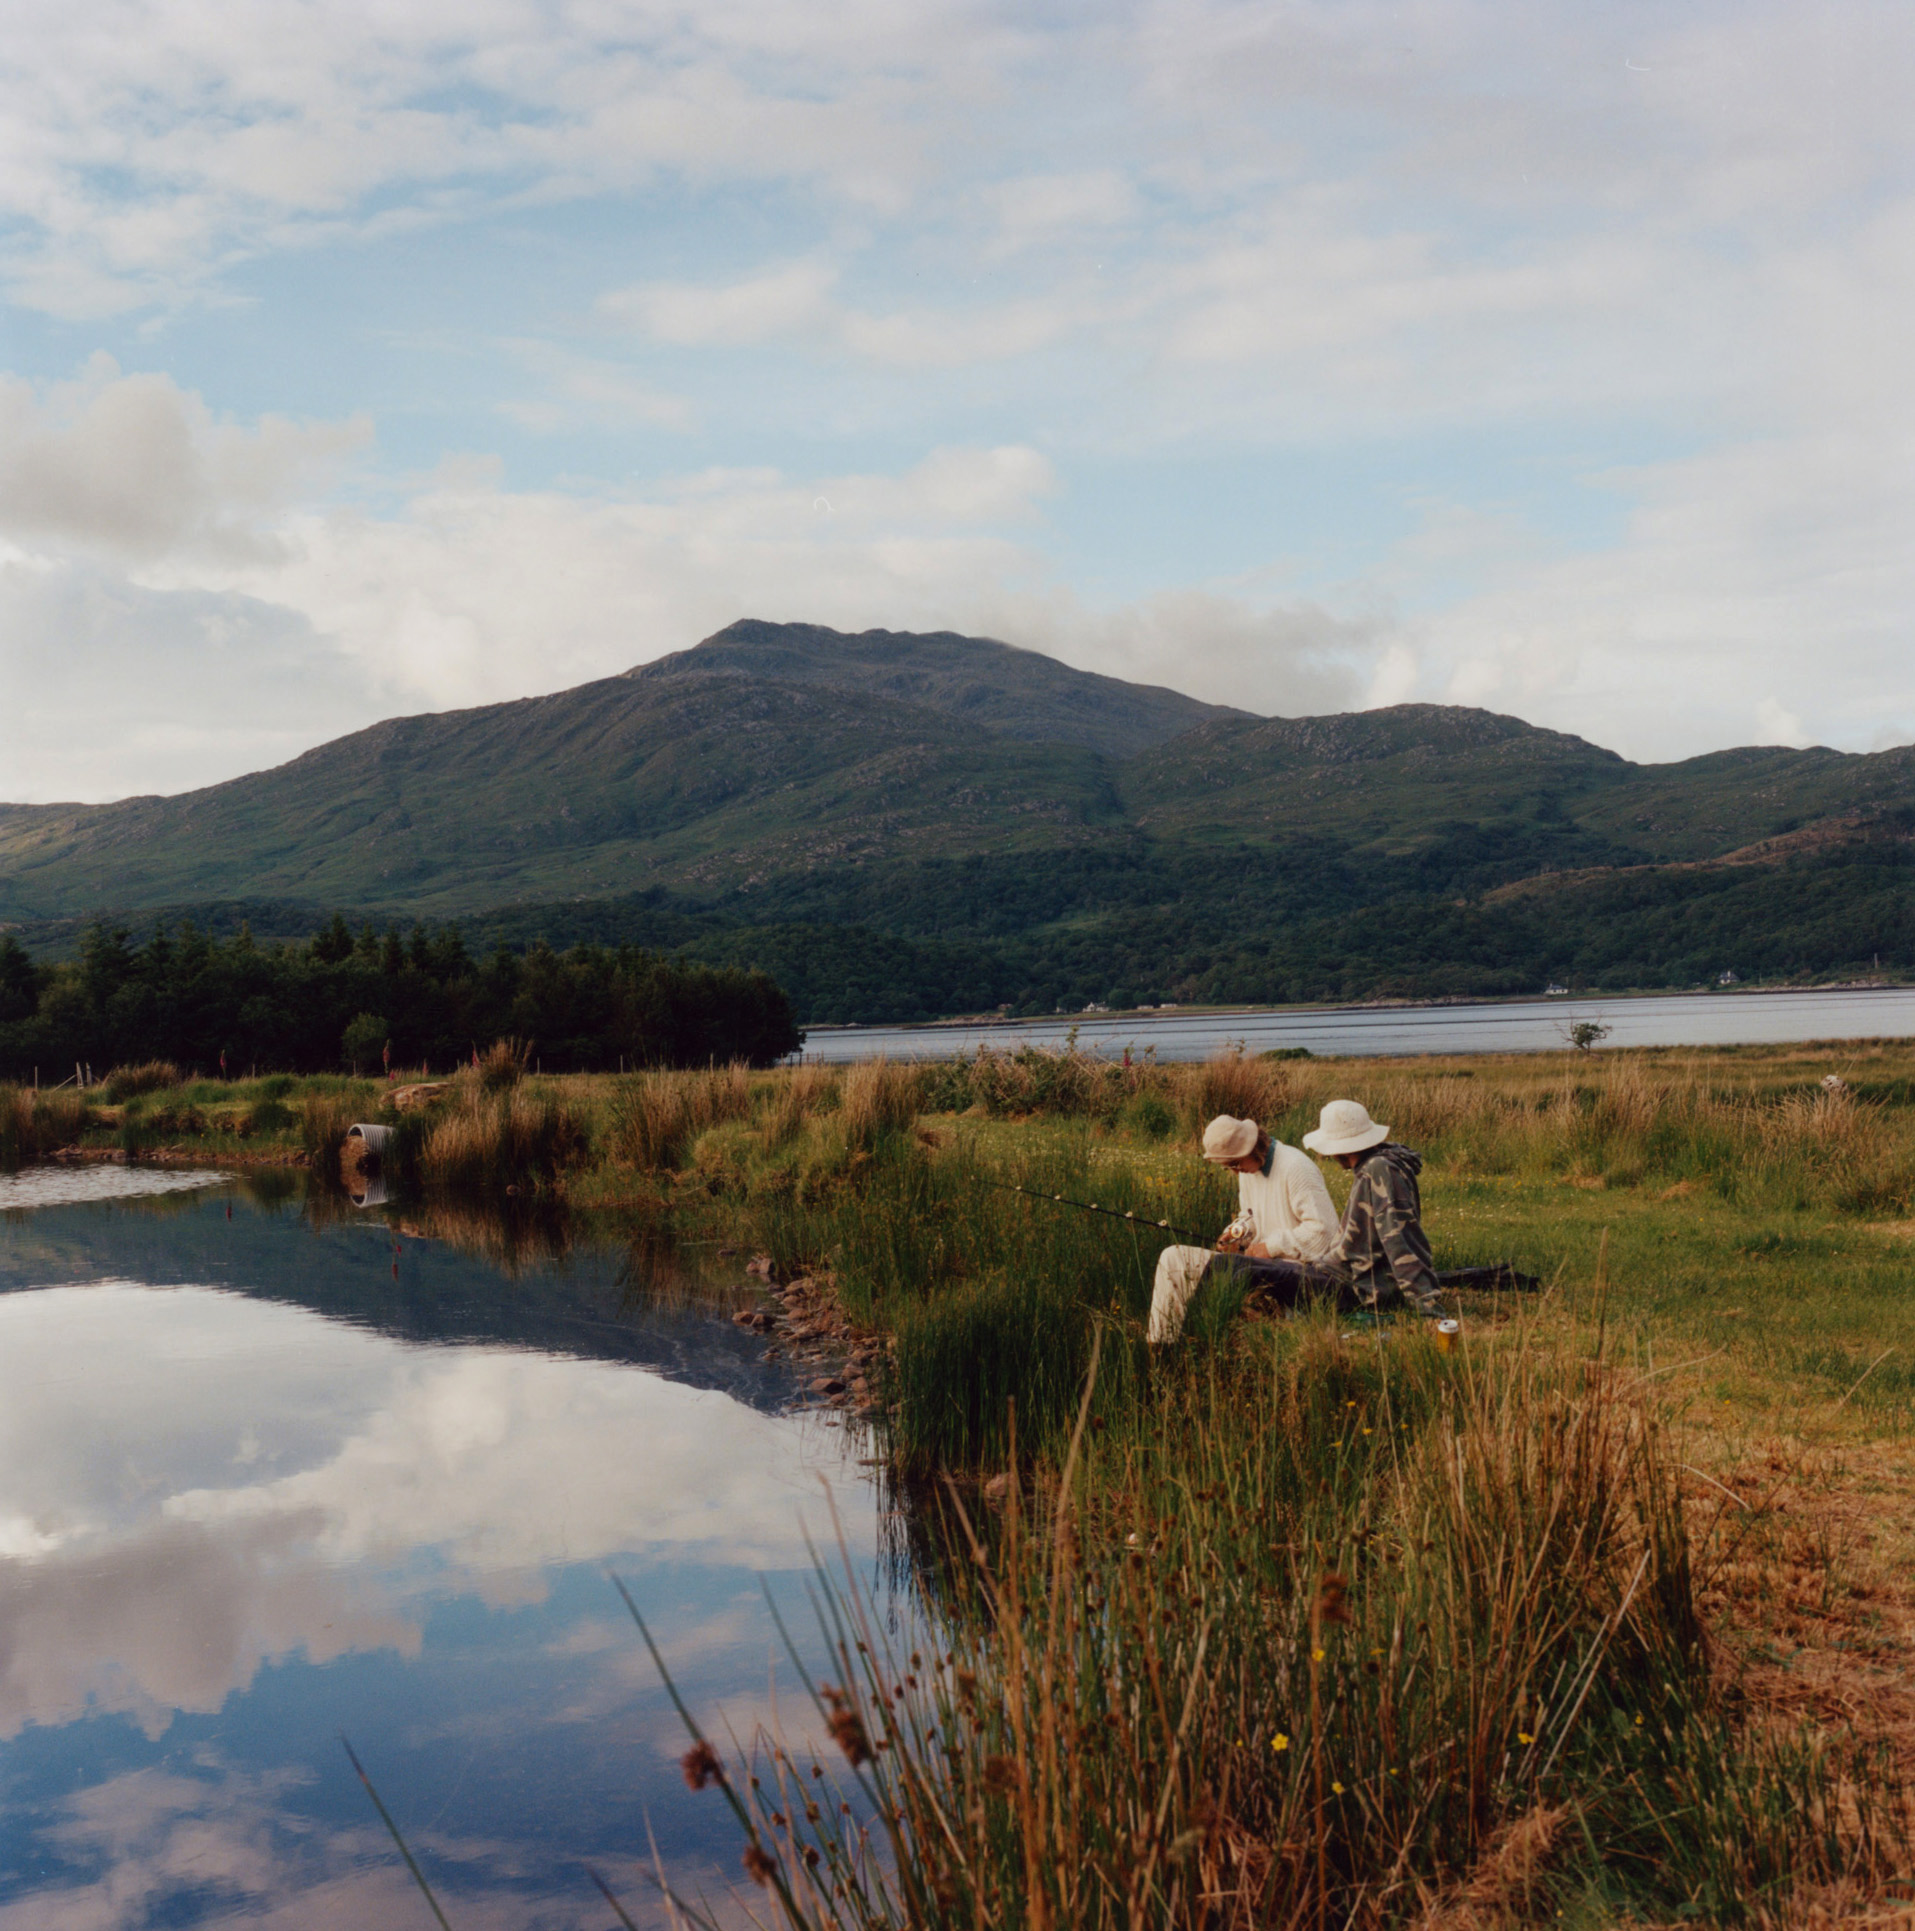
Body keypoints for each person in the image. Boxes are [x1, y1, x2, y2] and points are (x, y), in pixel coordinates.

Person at [1146, 1115, 1340, 1344]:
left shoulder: (1296, 1168)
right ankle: (1162, 1345)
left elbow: (1324, 1232)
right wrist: (1237, 1234)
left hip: (1297, 1270)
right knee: (1173, 1256)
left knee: (1223, 1269)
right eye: (1228, 1167)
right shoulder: (1249, 1169)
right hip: (1260, 1265)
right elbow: (1249, 1216)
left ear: (1252, 1148)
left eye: (1235, 1164)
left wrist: (1270, 1247)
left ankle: (1200, 1340)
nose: (1235, 1172)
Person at [1300, 1099, 1441, 1316]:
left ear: (1341, 1149)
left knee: (1249, 1272)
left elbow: (1401, 1240)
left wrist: (1428, 1308)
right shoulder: (1376, 1165)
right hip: (1343, 1273)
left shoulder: (1380, 1170)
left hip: (1358, 1285)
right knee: (1247, 1267)